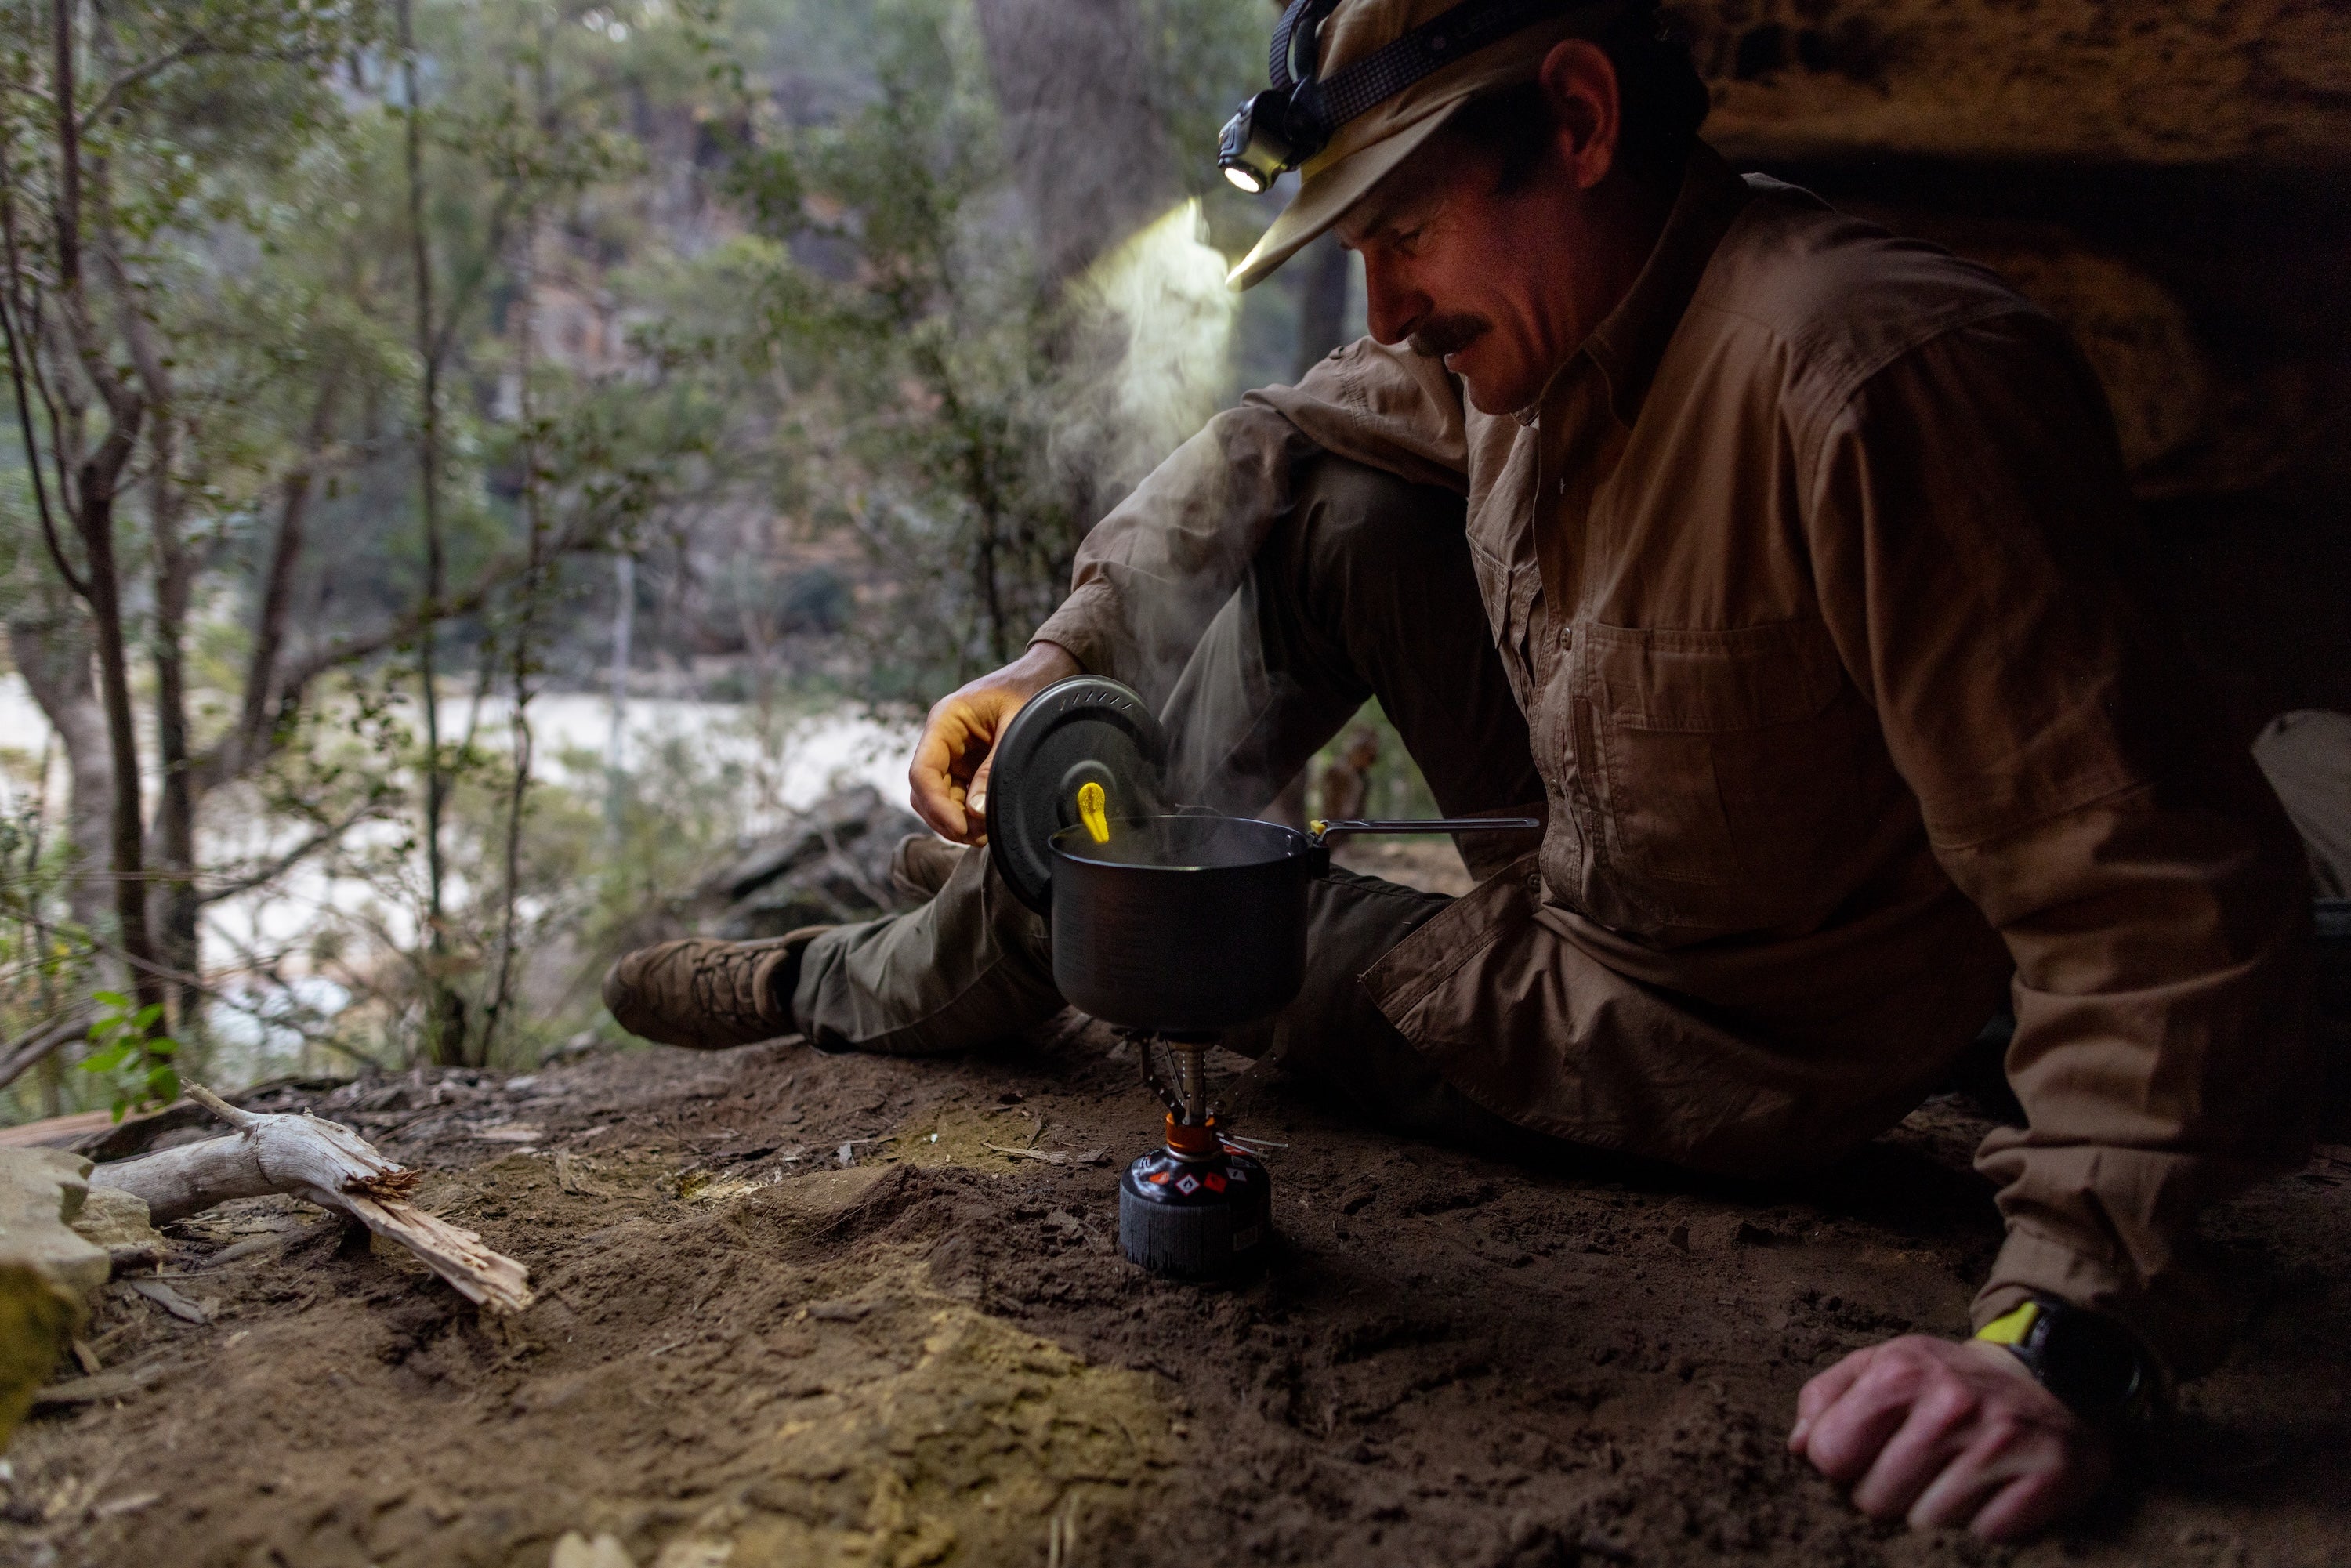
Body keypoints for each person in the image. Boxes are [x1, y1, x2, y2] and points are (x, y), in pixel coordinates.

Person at [603, 0, 2317, 1540]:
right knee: (1333, 511)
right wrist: (1063, 664)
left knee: (1184, 928)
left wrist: (2062, 1332)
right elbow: (1276, 433)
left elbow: (2152, 891)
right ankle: (1027, 863)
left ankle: (859, 963)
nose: (1390, 300)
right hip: (1592, 859)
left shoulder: (1868, 381)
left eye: (1407, 227)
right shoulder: (1546, 333)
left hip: (1689, 1026)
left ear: (1578, 121)